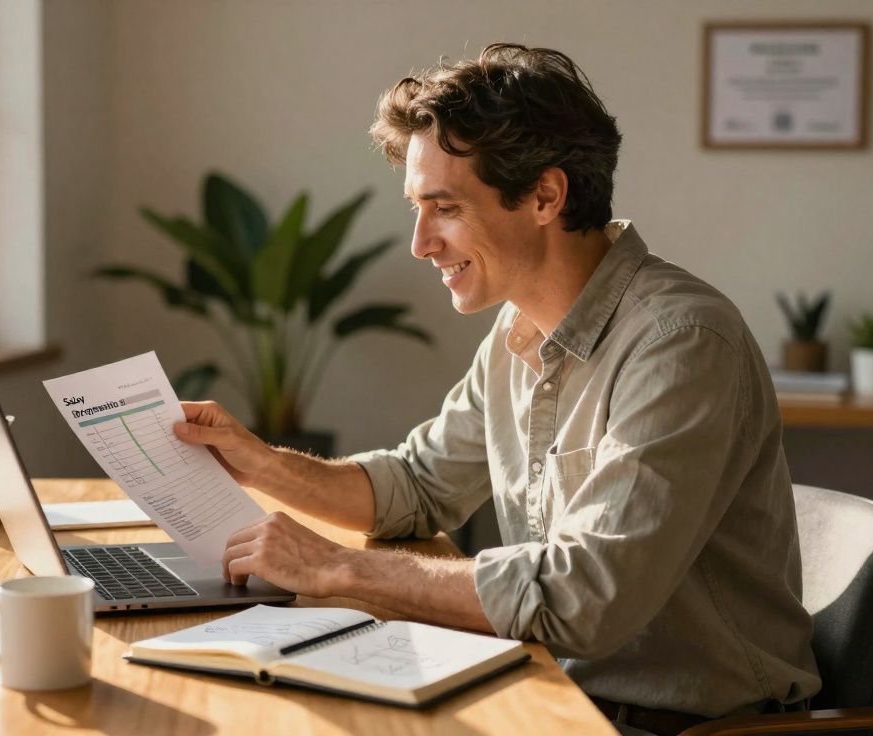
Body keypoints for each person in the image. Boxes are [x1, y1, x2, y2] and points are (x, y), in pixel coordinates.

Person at [172, 43, 820, 734]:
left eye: (444, 207)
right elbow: (420, 486)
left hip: (669, 723)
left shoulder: (682, 342)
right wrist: (260, 460)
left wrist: (335, 568)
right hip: (552, 688)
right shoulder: (521, 330)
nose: (421, 243)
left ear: (545, 195)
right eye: (417, 209)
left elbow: (583, 599)